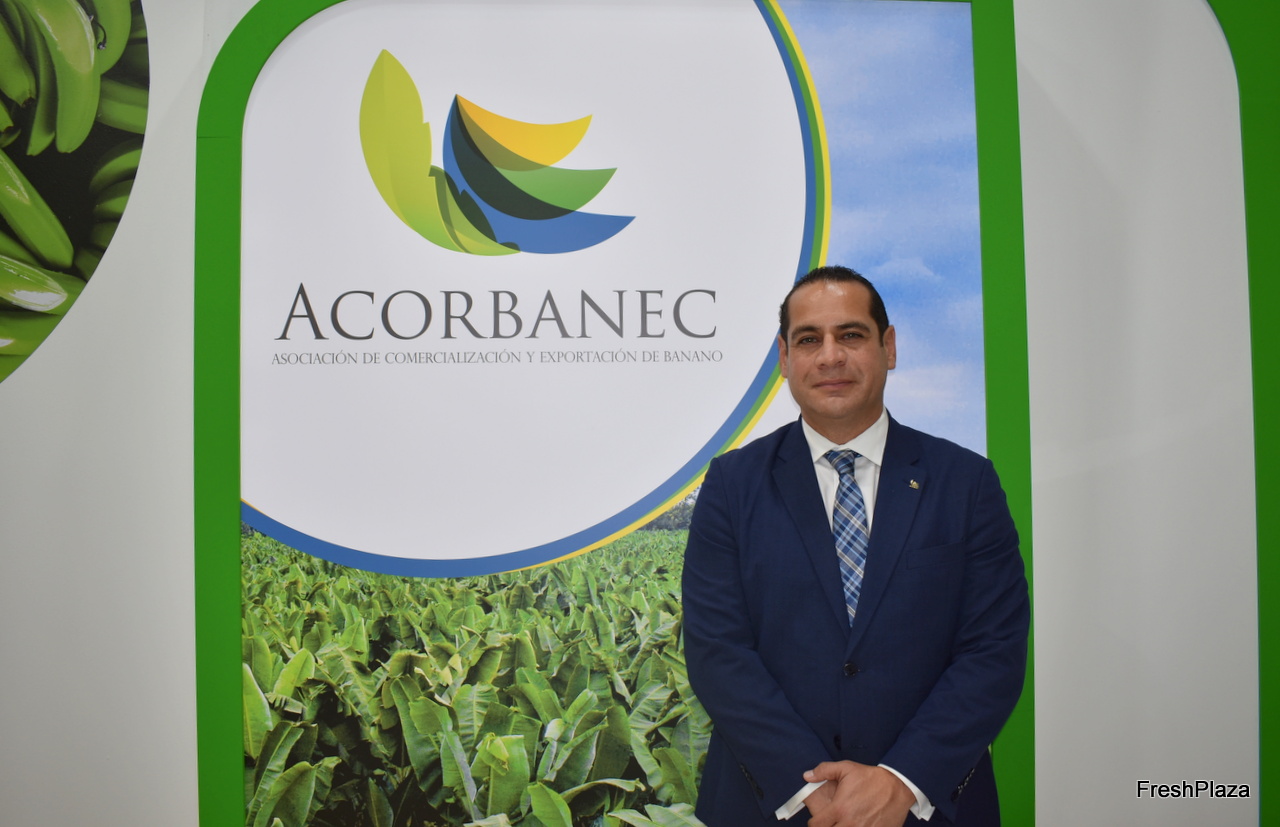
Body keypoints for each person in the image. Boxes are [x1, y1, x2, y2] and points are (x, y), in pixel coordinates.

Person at [682, 265, 1029, 826]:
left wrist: (900, 781)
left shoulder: (966, 482)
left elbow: (993, 649)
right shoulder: (732, 484)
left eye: (850, 334)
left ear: (888, 347)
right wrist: (811, 790)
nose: (830, 357)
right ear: (785, 358)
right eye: (808, 340)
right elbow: (718, 651)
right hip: (773, 806)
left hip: (923, 807)